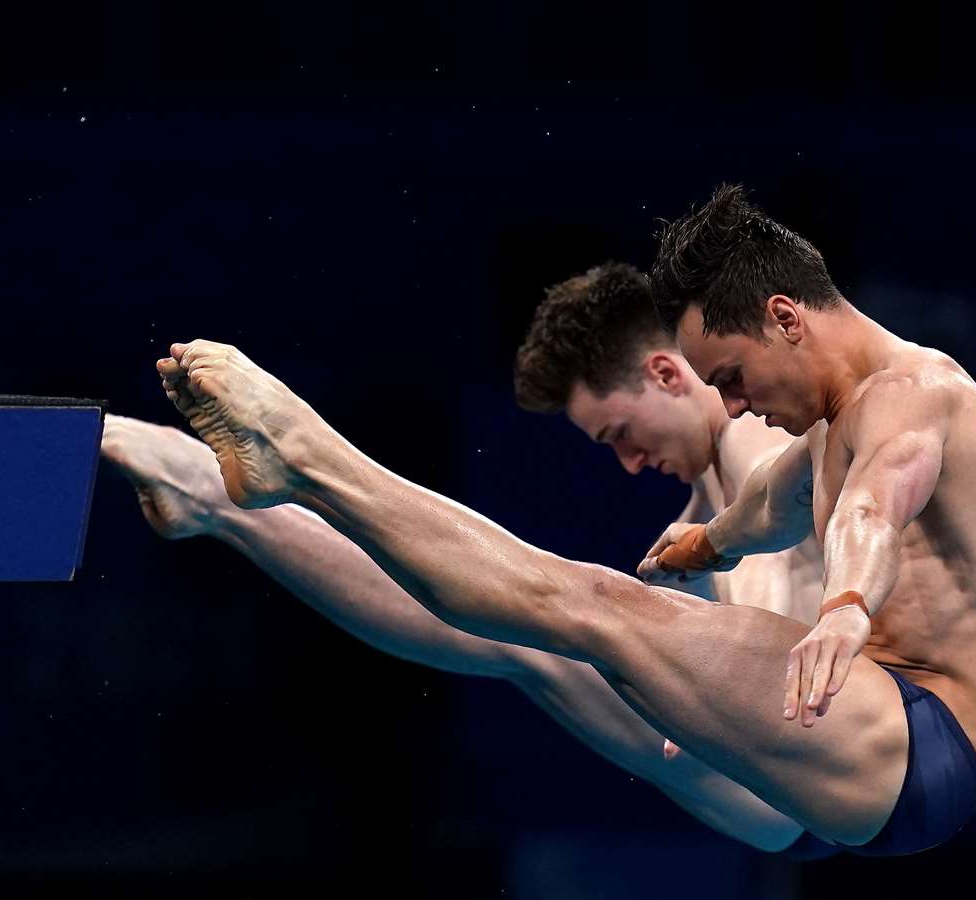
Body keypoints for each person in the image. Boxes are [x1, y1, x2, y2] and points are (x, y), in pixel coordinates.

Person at [150, 186, 976, 856]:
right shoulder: (824, 425)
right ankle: (233, 491)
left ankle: (304, 457)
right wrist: (705, 545)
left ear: (784, 319)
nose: (730, 404)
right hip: (856, 753)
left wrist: (846, 603)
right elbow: (770, 511)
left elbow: (873, 504)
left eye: (730, 375)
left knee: (572, 610)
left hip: (916, 739)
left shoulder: (911, 397)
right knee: (539, 629)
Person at [104, 263, 824, 852]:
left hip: (801, 770)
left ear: (667, 374)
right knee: (516, 626)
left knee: (535, 624)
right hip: (786, 792)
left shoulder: (749, 442)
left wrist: (747, 709)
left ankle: (229, 486)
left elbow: (777, 567)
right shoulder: (700, 513)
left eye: (618, 433)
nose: (631, 463)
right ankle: (221, 502)